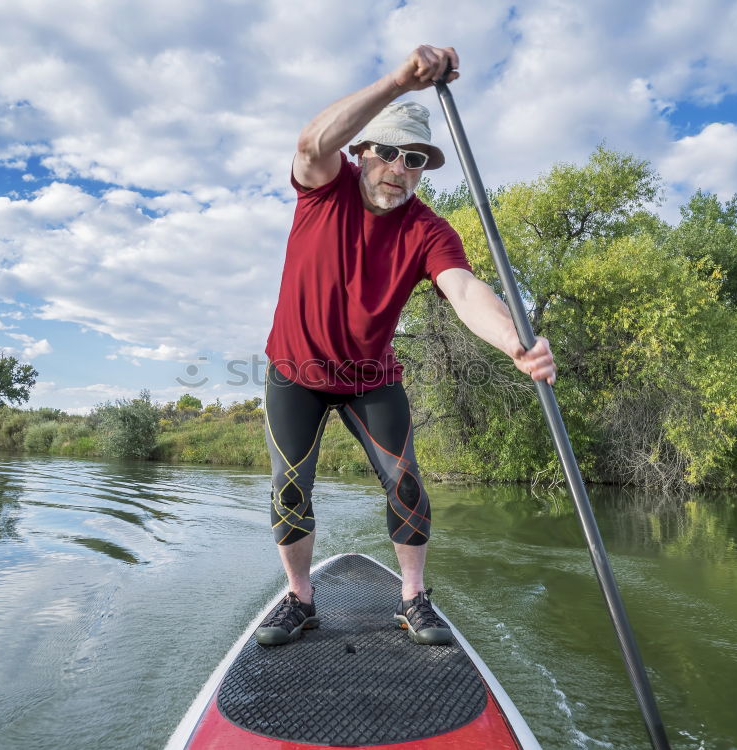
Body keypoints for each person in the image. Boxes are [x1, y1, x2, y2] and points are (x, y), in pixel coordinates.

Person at [256, 45, 556, 647]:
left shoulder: (428, 230)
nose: (398, 166)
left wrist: (514, 343)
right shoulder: (325, 186)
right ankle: (299, 599)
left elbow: (465, 291)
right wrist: (400, 81)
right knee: (291, 487)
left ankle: (414, 599)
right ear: (362, 153)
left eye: (414, 158)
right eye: (387, 151)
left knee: (407, 486)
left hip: (372, 380)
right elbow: (311, 143)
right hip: (296, 374)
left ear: (423, 170)